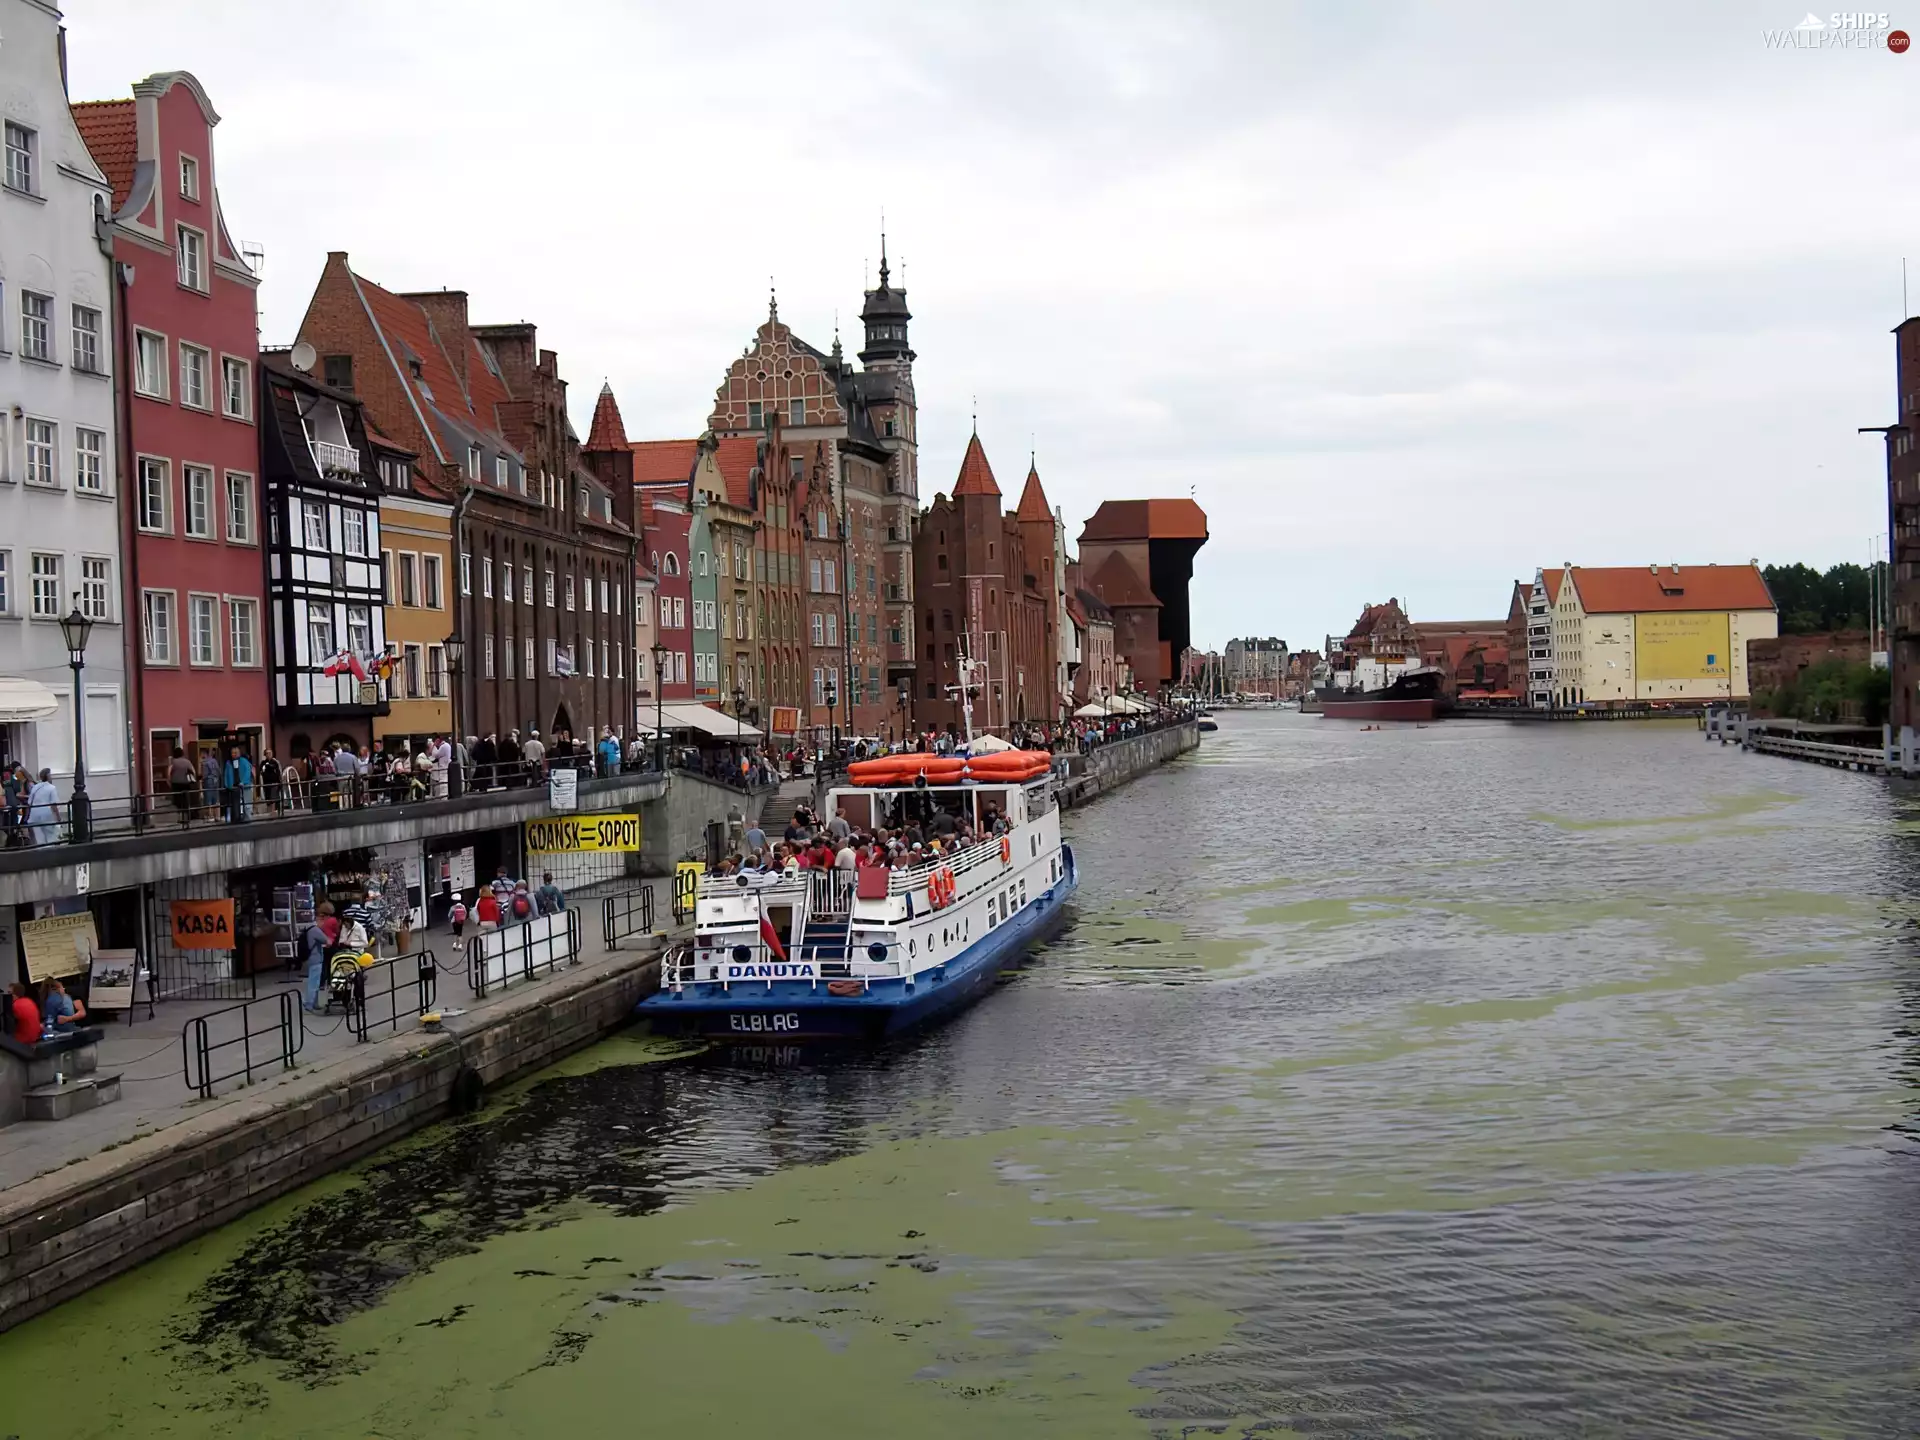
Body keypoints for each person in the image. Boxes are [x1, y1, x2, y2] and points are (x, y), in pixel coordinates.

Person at [301, 902, 335, 1012]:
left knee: (314, 981)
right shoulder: (315, 930)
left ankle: (315, 1003)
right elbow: (328, 941)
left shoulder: (309, 929)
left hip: (311, 958)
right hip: (316, 959)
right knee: (314, 983)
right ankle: (310, 1004)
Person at [27, 768, 60, 846]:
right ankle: (50, 854)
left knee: (39, 839)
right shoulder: (52, 788)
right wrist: (58, 817)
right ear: (48, 776)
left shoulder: (35, 787)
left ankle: (41, 854)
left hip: (34, 814)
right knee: (50, 836)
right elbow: (54, 805)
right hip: (47, 814)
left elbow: (29, 802)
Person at [224, 745, 254, 823]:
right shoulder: (228, 763)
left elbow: (247, 772)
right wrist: (227, 785)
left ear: (239, 753)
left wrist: (243, 782)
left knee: (246, 802)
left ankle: (247, 817)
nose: (234, 754)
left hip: (244, 785)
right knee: (234, 803)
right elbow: (226, 774)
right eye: (233, 753)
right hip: (233, 786)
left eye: (236, 752)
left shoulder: (244, 761)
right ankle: (235, 818)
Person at [168, 746, 196, 826]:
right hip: (186, 784)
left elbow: (168, 773)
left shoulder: (173, 762)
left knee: (178, 802)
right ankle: (186, 818)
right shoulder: (187, 762)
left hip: (176, 784)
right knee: (186, 801)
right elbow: (193, 771)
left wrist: (170, 782)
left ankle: (180, 818)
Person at [199, 747, 222, 822]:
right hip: (216, 781)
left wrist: (201, 780)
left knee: (208, 799)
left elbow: (204, 775)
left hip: (208, 781)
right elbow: (219, 771)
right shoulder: (214, 760)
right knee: (216, 799)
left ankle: (210, 816)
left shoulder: (204, 762)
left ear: (204, 753)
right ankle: (217, 816)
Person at [258, 750, 283, 815]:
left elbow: (279, 772)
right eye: (267, 753)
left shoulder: (275, 762)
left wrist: (280, 781)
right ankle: (269, 812)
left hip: (274, 782)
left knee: (273, 797)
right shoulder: (263, 763)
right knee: (268, 797)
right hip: (266, 783)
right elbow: (260, 771)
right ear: (265, 755)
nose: (269, 755)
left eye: (270, 753)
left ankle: (273, 811)